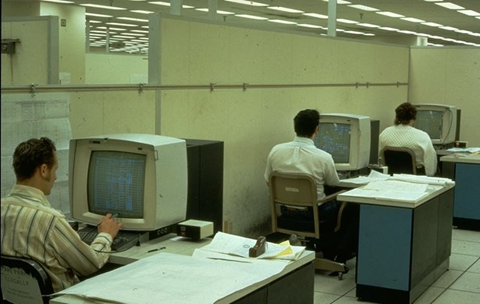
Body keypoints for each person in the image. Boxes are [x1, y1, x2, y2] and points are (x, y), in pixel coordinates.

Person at [1, 137, 123, 292]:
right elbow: (90, 264)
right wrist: (106, 234)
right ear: (44, 170)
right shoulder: (50, 220)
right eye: (55, 170)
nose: (56, 177)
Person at [264, 109, 358, 263]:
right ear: (316, 129)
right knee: (353, 205)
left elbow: (268, 181)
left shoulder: (276, 151)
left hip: (286, 212)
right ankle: (339, 253)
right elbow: (334, 183)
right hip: (315, 213)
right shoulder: (323, 157)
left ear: (295, 128)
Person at [379, 102, 437, 176]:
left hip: (391, 177)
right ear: (413, 118)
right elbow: (431, 167)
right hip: (416, 178)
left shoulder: (385, 133)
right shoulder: (422, 136)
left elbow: (380, 160)